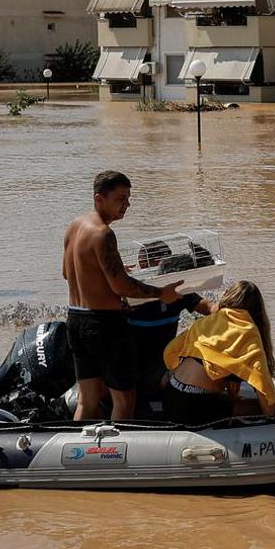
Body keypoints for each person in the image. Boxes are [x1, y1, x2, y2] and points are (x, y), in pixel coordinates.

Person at [62, 170, 182, 422]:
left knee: (88, 400)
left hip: (76, 320)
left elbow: (67, 273)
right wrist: (161, 293)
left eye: (128, 198)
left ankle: (77, 454)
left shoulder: (75, 226)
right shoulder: (104, 234)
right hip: (105, 326)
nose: (127, 204)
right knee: (125, 399)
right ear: (99, 199)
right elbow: (122, 288)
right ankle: (117, 455)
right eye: (120, 198)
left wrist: (107, 272)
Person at [161, 280, 275, 426]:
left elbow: (170, 351)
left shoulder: (207, 321)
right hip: (196, 404)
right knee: (256, 407)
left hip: (171, 395)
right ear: (257, 310)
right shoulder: (248, 331)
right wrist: (272, 416)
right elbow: (262, 384)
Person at [127, 290, 212, 415]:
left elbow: (209, 308)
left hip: (165, 369)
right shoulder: (129, 296)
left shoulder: (179, 293)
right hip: (133, 375)